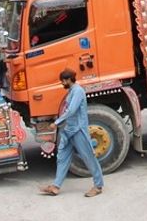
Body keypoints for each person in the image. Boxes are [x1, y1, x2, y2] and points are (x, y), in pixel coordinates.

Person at [39, 68, 104, 197]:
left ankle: (98, 186)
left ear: (68, 80)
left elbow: (71, 110)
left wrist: (56, 123)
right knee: (62, 157)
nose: (62, 84)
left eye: (63, 81)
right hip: (69, 130)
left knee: (88, 157)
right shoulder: (71, 91)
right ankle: (56, 186)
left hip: (78, 130)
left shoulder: (78, 91)